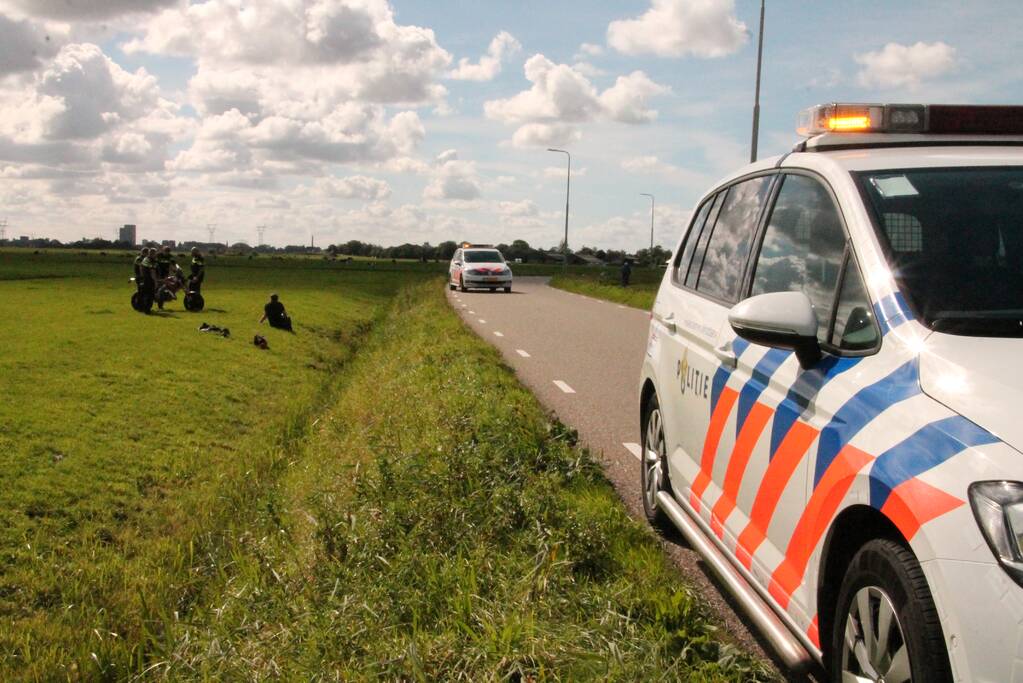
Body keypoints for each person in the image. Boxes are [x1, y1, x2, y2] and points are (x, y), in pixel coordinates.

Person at [140, 248, 158, 312]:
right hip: (149, 280)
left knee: (145, 294)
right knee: (150, 295)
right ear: (153, 254)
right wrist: (155, 281)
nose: (156, 255)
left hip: (145, 279)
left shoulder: (145, 259)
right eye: (155, 253)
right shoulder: (151, 261)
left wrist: (142, 276)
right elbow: (152, 272)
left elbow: (141, 267)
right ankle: (147, 309)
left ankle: (143, 307)